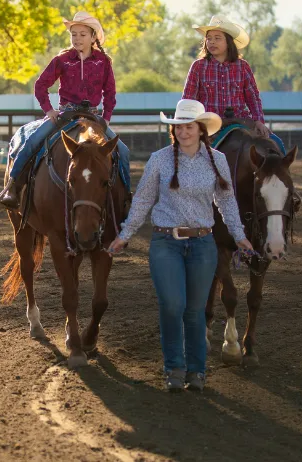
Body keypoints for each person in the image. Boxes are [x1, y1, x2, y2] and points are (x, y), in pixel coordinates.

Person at [107, 98, 253, 393]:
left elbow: (225, 201)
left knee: (195, 310)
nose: (184, 132)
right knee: (172, 305)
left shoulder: (217, 160)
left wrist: (239, 235)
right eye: (179, 127)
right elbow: (144, 199)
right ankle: (174, 367)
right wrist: (126, 233)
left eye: (189, 127)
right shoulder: (159, 159)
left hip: (202, 243)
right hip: (165, 242)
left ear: (201, 130)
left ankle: (197, 370)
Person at [0, 11, 130, 209]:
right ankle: (13, 187)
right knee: (32, 141)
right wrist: (49, 110)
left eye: (82, 34)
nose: (77, 38)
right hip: (65, 114)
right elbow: (40, 85)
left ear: (93, 36)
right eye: (73, 34)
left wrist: (107, 118)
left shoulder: (103, 62)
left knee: (123, 151)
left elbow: (110, 93)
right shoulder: (62, 60)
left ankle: (125, 197)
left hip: (92, 116)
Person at [182, 14, 287, 155]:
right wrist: (189, 125)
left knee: (276, 143)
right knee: (192, 154)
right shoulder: (198, 67)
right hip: (209, 124)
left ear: (228, 42)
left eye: (217, 38)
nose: (212, 42)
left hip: (240, 121)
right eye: (209, 38)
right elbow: (188, 100)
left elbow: (253, 97)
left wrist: (258, 121)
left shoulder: (242, 67)